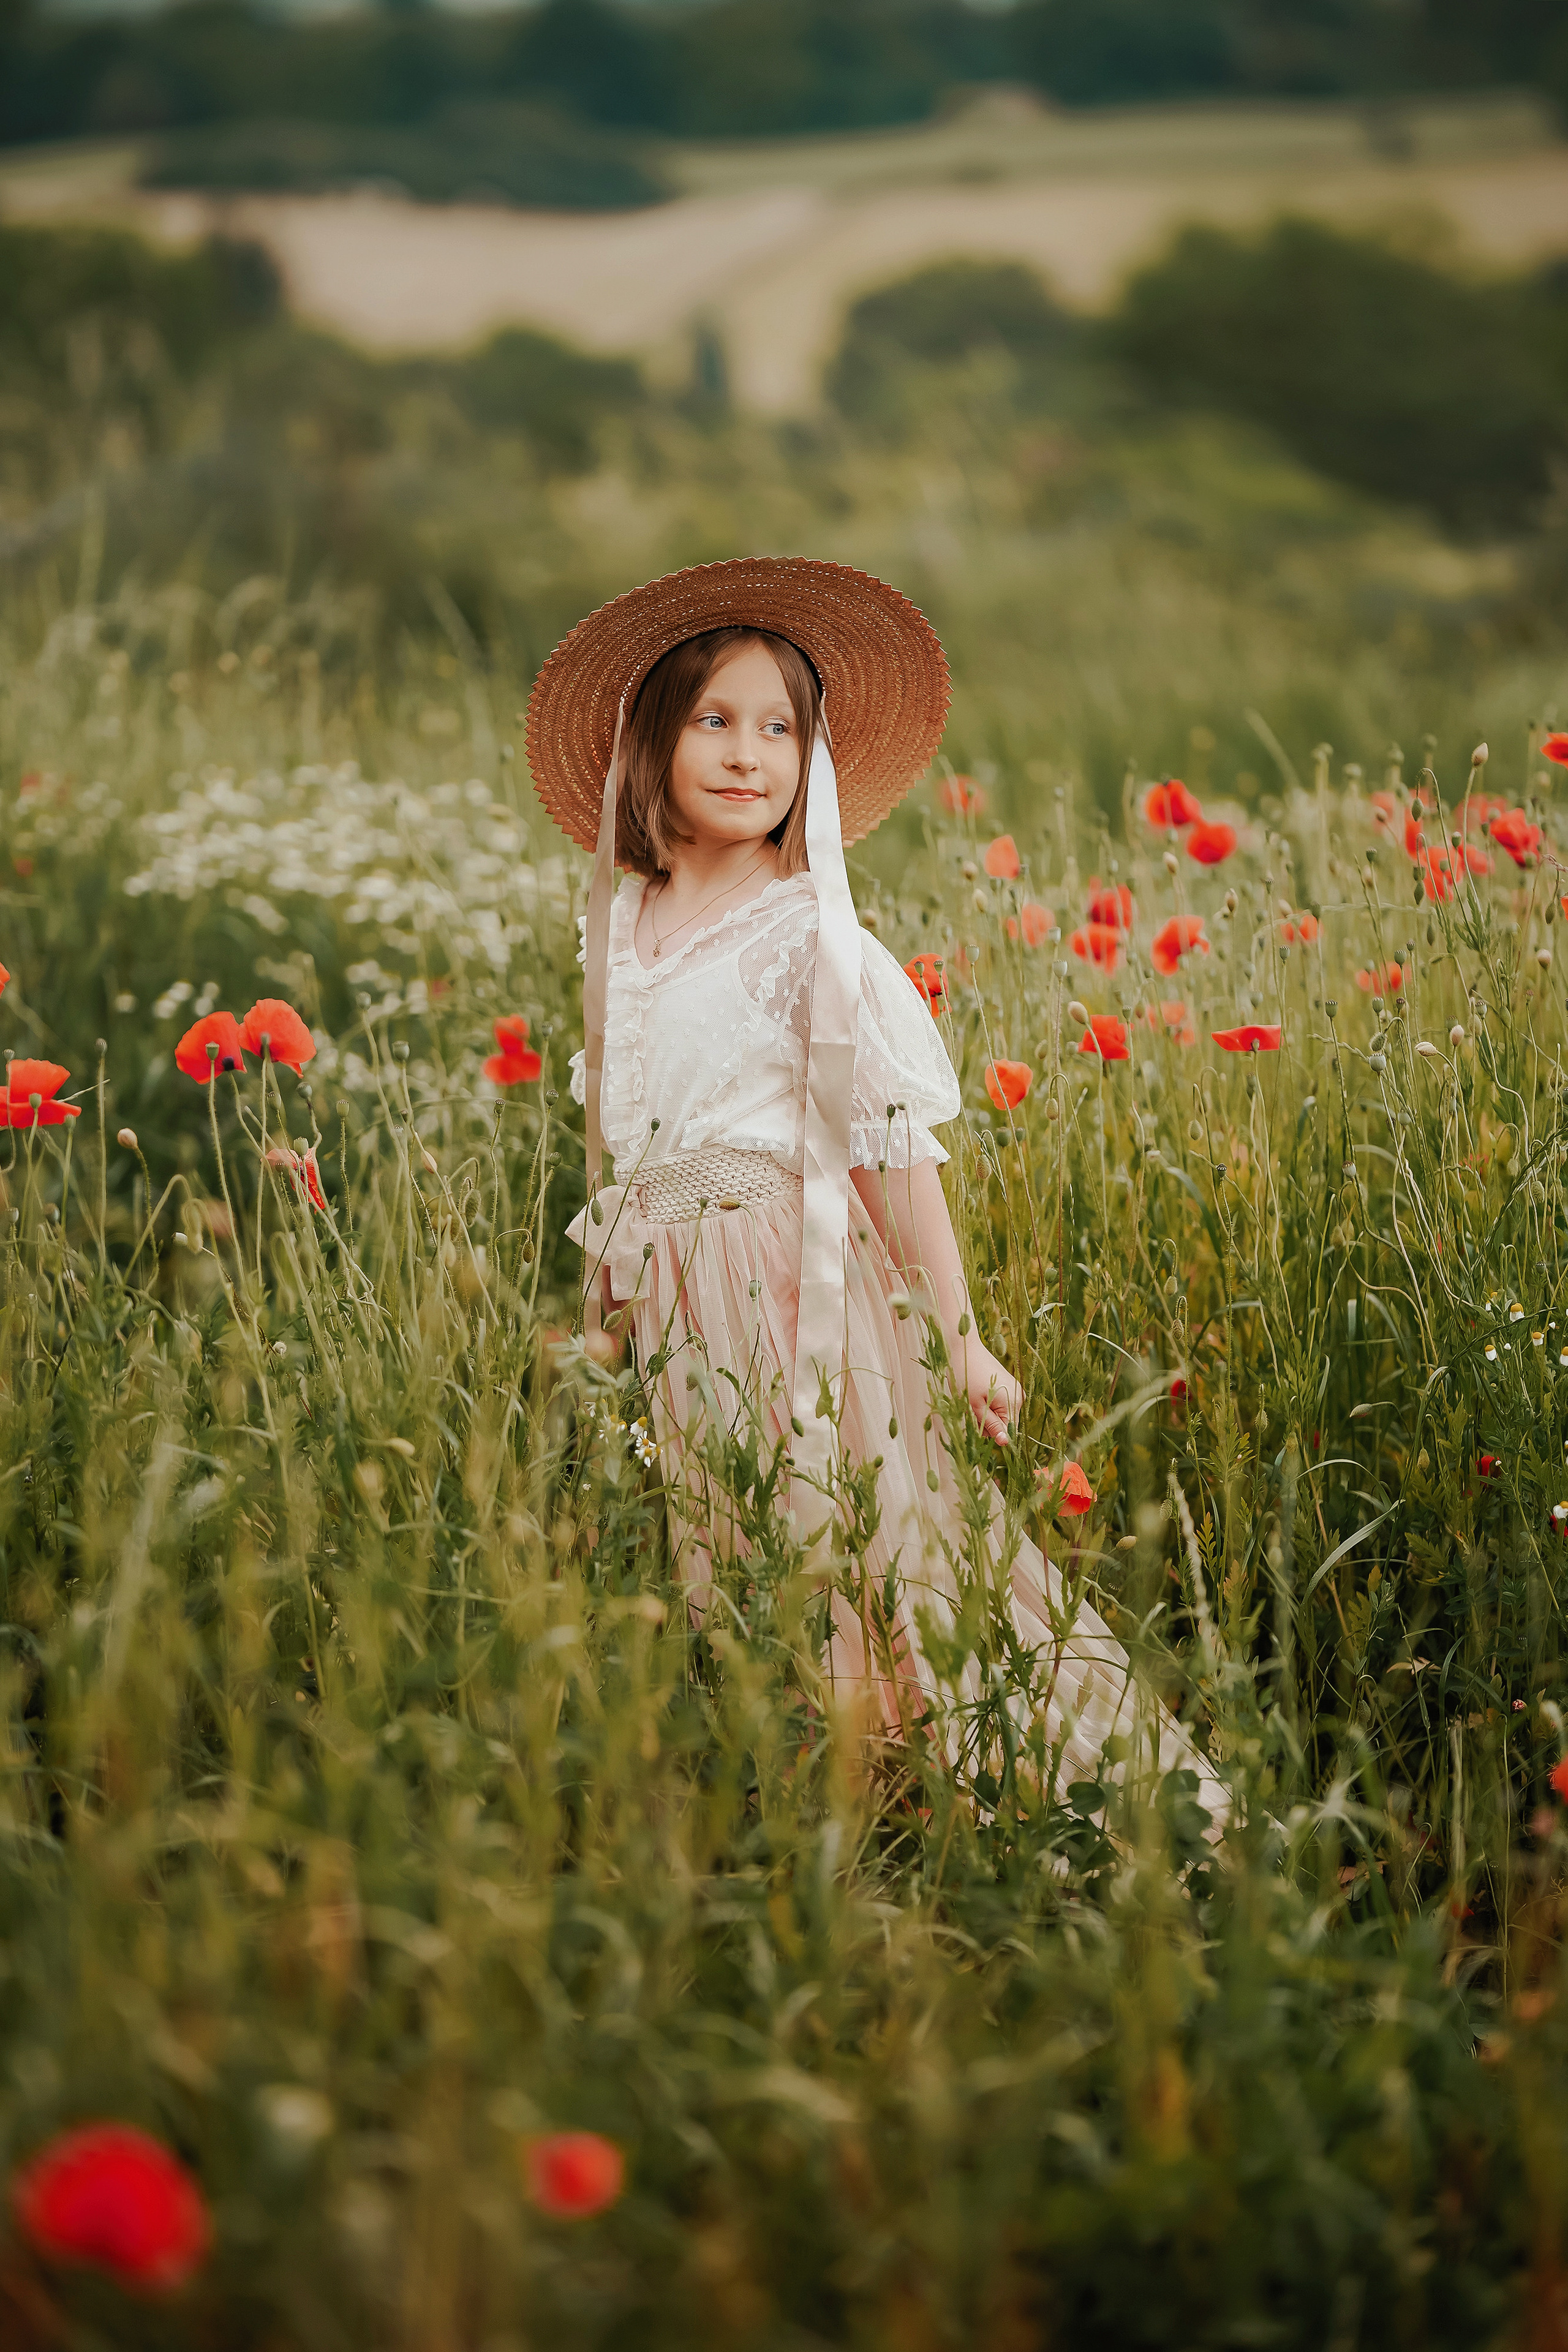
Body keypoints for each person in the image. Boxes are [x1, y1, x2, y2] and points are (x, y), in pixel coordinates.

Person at [527, 557, 1226, 1824]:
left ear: (814, 759)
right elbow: (623, 1145)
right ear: (650, 739)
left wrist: (960, 1342)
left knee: (855, 1545)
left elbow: (889, 1151)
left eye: (779, 728)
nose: (748, 755)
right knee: (722, 1550)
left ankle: (989, 1788)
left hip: (791, 1282)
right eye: (713, 720)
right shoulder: (620, 927)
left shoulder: (808, 939)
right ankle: (815, 1781)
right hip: (675, 1293)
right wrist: (602, 1305)